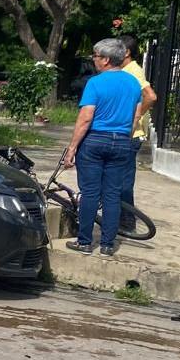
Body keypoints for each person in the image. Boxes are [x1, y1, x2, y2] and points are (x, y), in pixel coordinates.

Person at [64, 38, 143, 256]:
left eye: (96, 56)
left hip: (95, 140)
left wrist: (72, 148)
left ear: (106, 60)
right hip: (121, 141)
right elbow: (136, 116)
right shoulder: (133, 84)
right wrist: (124, 137)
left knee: (90, 193)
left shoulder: (95, 83)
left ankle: (85, 241)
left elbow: (85, 118)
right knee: (112, 193)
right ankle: (108, 244)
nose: (94, 60)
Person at [118, 34, 158, 229]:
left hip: (130, 134)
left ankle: (127, 220)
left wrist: (135, 116)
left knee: (124, 180)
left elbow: (150, 96)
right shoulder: (126, 70)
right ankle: (121, 217)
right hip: (128, 133)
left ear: (126, 52)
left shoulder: (133, 71)